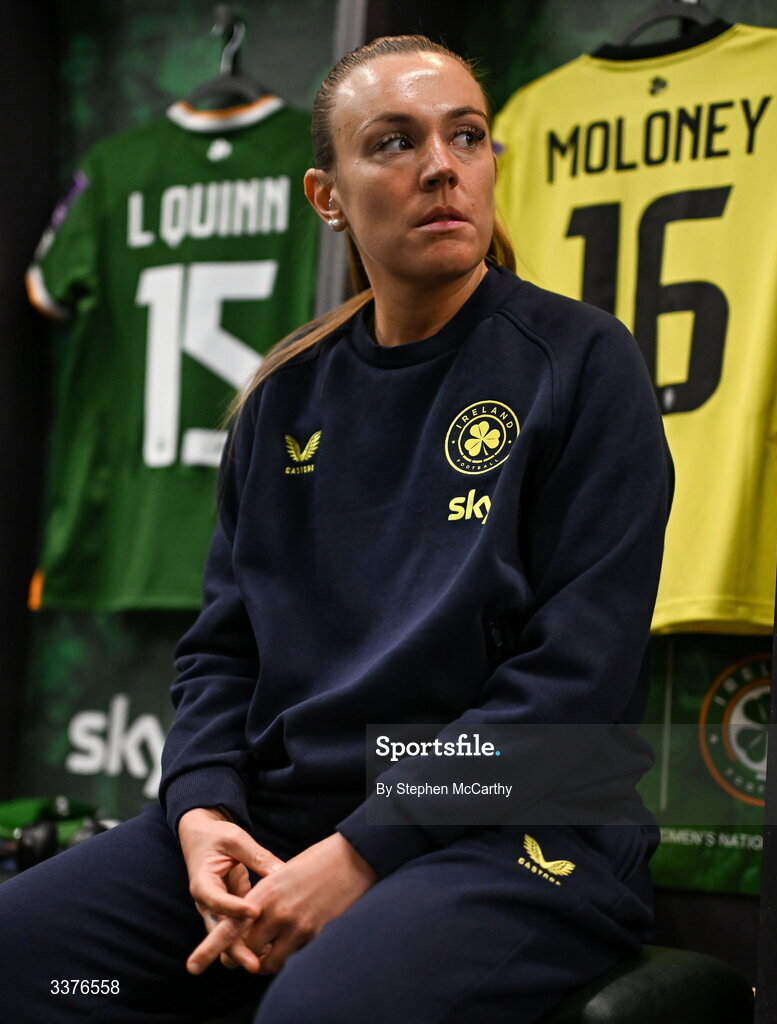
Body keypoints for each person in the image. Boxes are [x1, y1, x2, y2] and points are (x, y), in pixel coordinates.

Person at [0, 34, 672, 1024]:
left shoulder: (580, 365)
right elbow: (220, 651)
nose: (441, 166)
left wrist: (363, 849)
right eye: (394, 142)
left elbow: (570, 693)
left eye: (467, 136)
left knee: (318, 1008)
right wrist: (200, 814)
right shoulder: (283, 396)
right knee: (38, 964)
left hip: (513, 836)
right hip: (281, 818)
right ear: (327, 195)